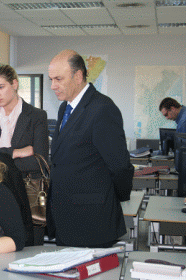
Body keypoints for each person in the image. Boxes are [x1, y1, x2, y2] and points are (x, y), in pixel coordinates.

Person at [47, 49, 134, 248]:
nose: (53, 86)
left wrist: (110, 198)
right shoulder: (65, 107)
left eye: (58, 79)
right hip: (66, 215)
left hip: (93, 218)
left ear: (78, 76)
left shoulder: (102, 108)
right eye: (51, 79)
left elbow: (120, 166)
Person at [0, 64, 49, 177]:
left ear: (14, 84)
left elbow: (39, 162)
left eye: (0, 87)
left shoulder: (37, 116)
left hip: (26, 187)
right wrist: (15, 153)